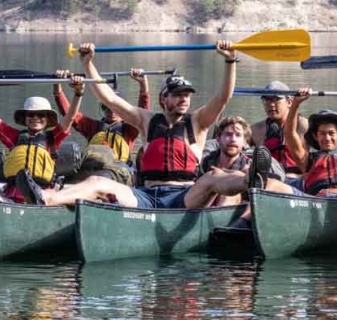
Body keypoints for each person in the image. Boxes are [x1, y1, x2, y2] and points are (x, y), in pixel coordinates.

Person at [16, 40, 258, 209]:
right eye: (177, 94)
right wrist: (87, 63)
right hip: (146, 196)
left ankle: (251, 179)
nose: (184, 98)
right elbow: (108, 98)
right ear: (164, 98)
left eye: (187, 94)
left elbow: (223, 97)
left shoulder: (198, 121)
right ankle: (47, 199)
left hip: (184, 196)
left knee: (213, 177)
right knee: (96, 182)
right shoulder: (147, 120)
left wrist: (230, 61)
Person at [250, 88, 337, 198]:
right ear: (316, 136)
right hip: (313, 200)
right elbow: (289, 133)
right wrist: (296, 104)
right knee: (272, 184)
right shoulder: (308, 160)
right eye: (322, 134)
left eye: (331, 133)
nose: (327, 138)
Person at [0, 75, 83, 203]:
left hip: (42, 196)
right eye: (31, 114)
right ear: (25, 118)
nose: (35, 118)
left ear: (47, 120)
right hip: (12, 199)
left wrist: (78, 93)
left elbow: (70, 117)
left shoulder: (53, 138)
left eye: (41, 114)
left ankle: (34, 200)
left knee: (46, 198)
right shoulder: (15, 138)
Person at [53, 68, 150, 164]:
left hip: (119, 172)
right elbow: (69, 114)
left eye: (116, 108)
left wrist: (143, 84)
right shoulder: (92, 127)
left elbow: (142, 113)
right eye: (106, 107)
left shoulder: (129, 129)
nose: (111, 111)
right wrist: (57, 83)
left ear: (123, 108)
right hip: (93, 168)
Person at [248, 81, 308, 186]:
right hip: (269, 180)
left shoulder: (303, 125)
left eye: (276, 99)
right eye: (266, 99)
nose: (270, 104)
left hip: (298, 180)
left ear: (289, 102)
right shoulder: (256, 129)